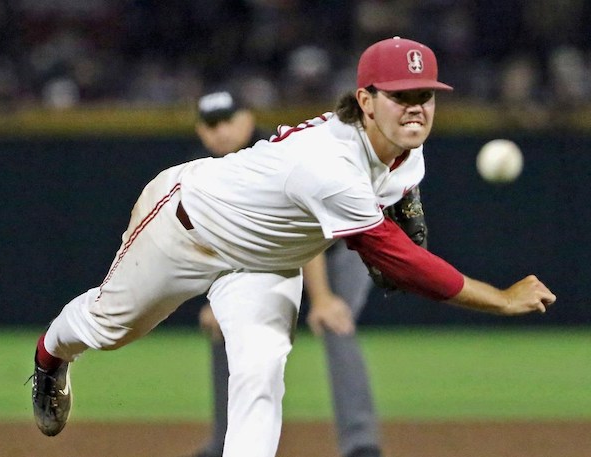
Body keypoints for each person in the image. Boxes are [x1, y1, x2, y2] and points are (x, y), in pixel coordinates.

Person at [29, 37, 556, 457]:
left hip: (266, 265)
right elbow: (398, 258)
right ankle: (50, 354)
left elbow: (399, 196)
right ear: (366, 102)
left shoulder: (407, 153)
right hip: (186, 226)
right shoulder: (328, 164)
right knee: (109, 327)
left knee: (261, 375)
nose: (416, 109)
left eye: (425, 96)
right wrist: (501, 298)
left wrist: (402, 210)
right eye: (401, 96)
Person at [188, 90, 425, 457]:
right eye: (210, 124)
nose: (220, 131)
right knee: (226, 325)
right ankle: (225, 443)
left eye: (227, 120)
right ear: (201, 132)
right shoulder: (214, 171)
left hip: (340, 245)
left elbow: (308, 229)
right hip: (281, 253)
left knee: (335, 323)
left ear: (247, 120)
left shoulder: (272, 152)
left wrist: (324, 299)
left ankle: (361, 444)